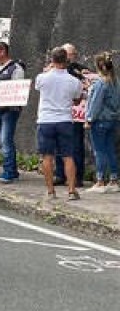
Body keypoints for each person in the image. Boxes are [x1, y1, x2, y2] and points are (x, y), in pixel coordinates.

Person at [35, 47, 84, 201]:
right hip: (64, 120)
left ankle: (50, 191)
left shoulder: (42, 78)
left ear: (52, 59)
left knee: (47, 156)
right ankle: (71, 191)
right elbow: (77, 100)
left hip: (46, 120)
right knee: (68, 156)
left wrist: (47, 70)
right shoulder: (74, 81)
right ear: (67, 60)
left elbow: (39, 88)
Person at [0, 42, 25, 184]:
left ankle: (8, 171)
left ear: (2, 52)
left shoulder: (16, 68)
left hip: (10, 110)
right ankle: (12, 170)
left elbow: (17, 88)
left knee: (5, 140)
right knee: (5, 140)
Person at [85, 52, 120, 193]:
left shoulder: (100, 83)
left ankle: (100, 181)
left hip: (100, 120)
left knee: (99, 150)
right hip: (114, 119)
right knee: (110, 149)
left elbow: (95, 104)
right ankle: (114, 179)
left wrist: (89, 119)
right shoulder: (116, 82)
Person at [56, 43, 89, 188]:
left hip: (76, 114)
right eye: (66, 54)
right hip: (59, 112)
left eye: (71, 54)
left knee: (76, 146)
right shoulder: (55, 70)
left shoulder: (81, 70)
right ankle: (60, 174)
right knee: (59, 145)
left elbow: (88, 87)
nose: (68, 57)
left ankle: (77, 177)